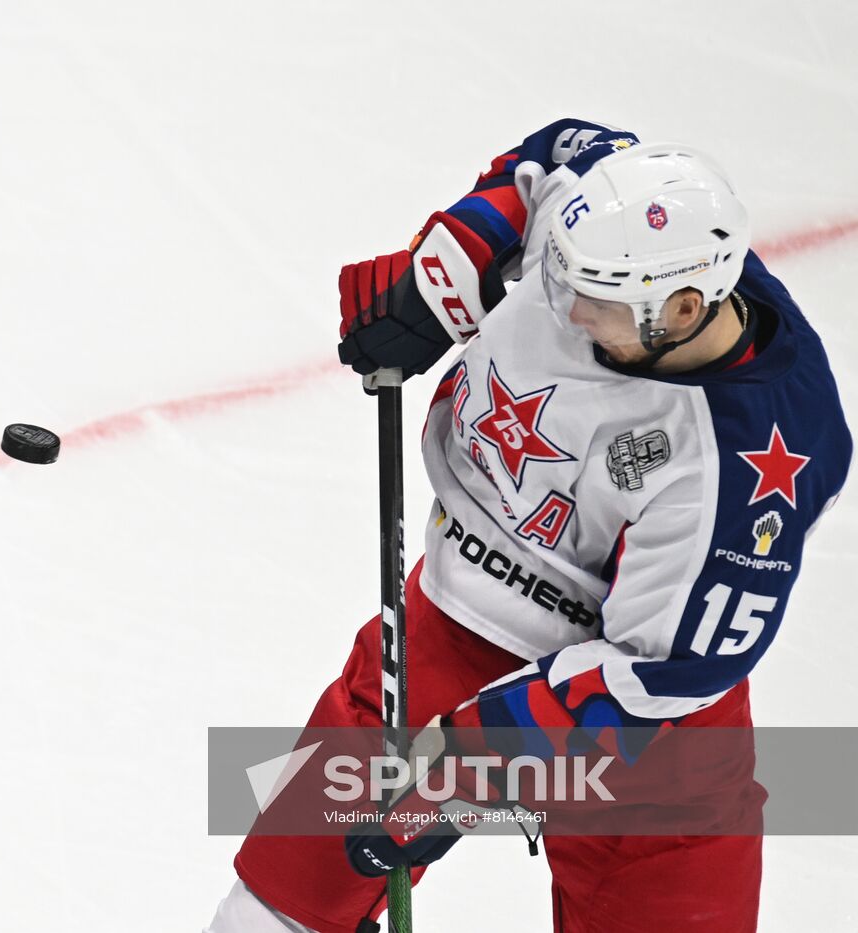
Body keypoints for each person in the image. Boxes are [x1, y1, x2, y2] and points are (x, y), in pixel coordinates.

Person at [206, 121, 852, 932]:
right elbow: (544, 163)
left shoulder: (746, 469)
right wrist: (441, 277)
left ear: (682, 308)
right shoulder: (612, 228)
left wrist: (456, 768)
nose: (561, 306)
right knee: (277, 902)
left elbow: (651, 684)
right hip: (461, 605)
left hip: (643, 720)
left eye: (596, 299)